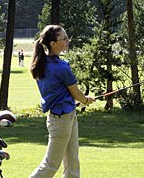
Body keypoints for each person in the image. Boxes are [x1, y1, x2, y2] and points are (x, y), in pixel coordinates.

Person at [29, 25, 95, 178]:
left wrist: (78, 100)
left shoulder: (43, 63)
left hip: (67, 116)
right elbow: (76, 94)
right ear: (53, 43)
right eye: (64, 39)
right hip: (61, 121)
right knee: (50, 165)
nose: (67, 41)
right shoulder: (61, 67)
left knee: (72, 162)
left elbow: (64, 93)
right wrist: (86, 100)